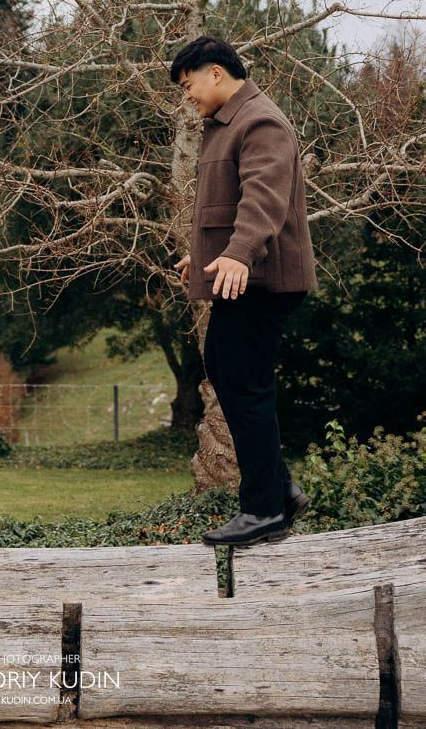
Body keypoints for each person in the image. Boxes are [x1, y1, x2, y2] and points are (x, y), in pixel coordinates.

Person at [170, 36, 318, 548]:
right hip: (243, 273)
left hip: (261, 278)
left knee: (241, 381)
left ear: (215, 73)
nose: (187, 97)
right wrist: (208, 249)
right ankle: (280, 491)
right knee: (232, 373)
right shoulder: (229, 123)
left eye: (189, 86)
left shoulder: (260, 121)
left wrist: (237, 252)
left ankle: (263, 512)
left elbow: (263, 196)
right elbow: (225, 204)